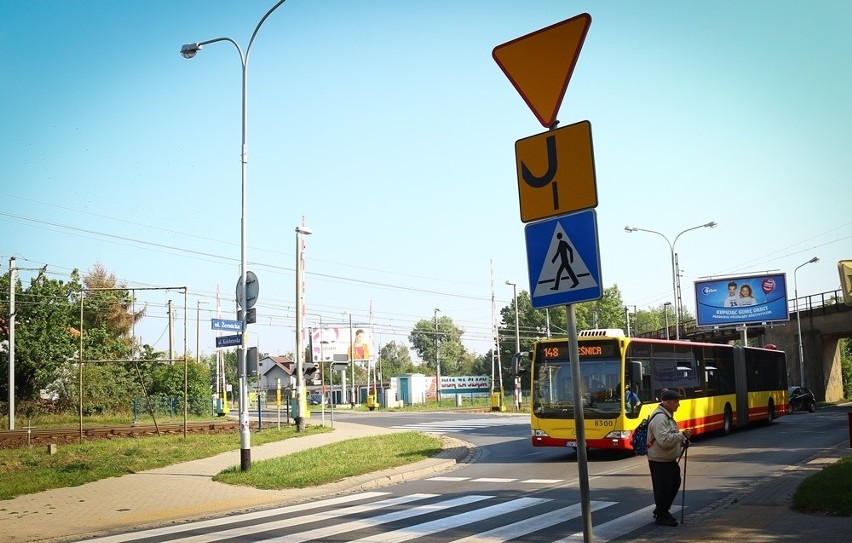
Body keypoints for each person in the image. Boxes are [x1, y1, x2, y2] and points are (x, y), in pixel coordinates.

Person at [647, 389, 692, 527]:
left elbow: (669, 436)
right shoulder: (660, 418)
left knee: (673, 483)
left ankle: (662, 509)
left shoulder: (667, 416)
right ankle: (662, 515)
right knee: (663, 489)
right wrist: (682, 435)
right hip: (660, 460)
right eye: (676, 402)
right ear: (667, 402)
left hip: (667, 459)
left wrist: (682, 441)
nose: (678, 404)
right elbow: (665, 441)